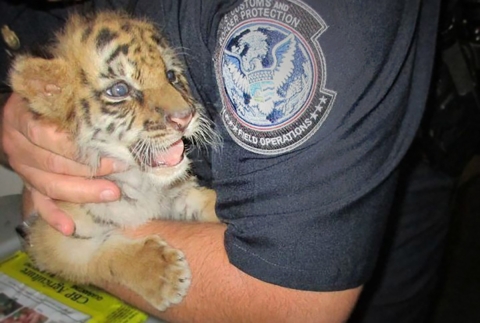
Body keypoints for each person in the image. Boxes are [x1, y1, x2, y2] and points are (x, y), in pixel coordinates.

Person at [0, 0, 454, 322]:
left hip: (360, 192)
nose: (180, 110)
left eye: (172, 76)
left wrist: (102, 244)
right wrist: (19, 129)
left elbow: (289, 303)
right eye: (122, 91)